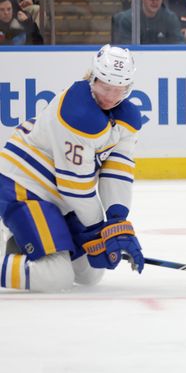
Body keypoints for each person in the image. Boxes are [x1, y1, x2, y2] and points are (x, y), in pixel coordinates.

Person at [0, 45, 145, 292]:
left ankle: (24, 241)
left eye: (118, 89)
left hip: (59, 201)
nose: (110, 97)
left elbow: (117, 170)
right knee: (56, 276)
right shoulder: (77, 113)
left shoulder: (127, 118)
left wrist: (117, 222)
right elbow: (75, 187)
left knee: (90, 273)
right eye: (105, 87)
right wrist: (99, 230)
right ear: (92, 77)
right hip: (24, 188)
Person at [112, 0, 183, 44]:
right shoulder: (128, 19)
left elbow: (180, 46)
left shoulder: (171, 18)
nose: (154, 1)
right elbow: (126, 49)